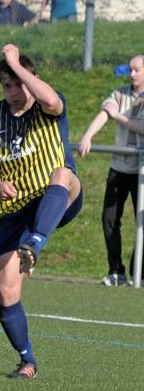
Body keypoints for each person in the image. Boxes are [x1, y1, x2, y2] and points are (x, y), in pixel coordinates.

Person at [0, 44, 82, 379]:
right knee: (6, 291)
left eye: (17, 84)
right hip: (14, 209)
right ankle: (27, 361)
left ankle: (34, 244)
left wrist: (15, 63)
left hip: (56, 198)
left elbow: (51, 101)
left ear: (31, 78)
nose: (11, 92)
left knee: (63, 173)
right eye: (5, 85)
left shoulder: (49, 104)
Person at [78, 55, 144, 287]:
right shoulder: (119, 93)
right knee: (109, 219)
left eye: (137, 70)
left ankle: (140, 272)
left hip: (141, 171)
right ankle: (116, 271)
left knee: (142, 222)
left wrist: (119, 117)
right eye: (130, 70)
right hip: (119, 167)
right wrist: (88, 135)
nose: (132, 74)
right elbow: (106, 112)